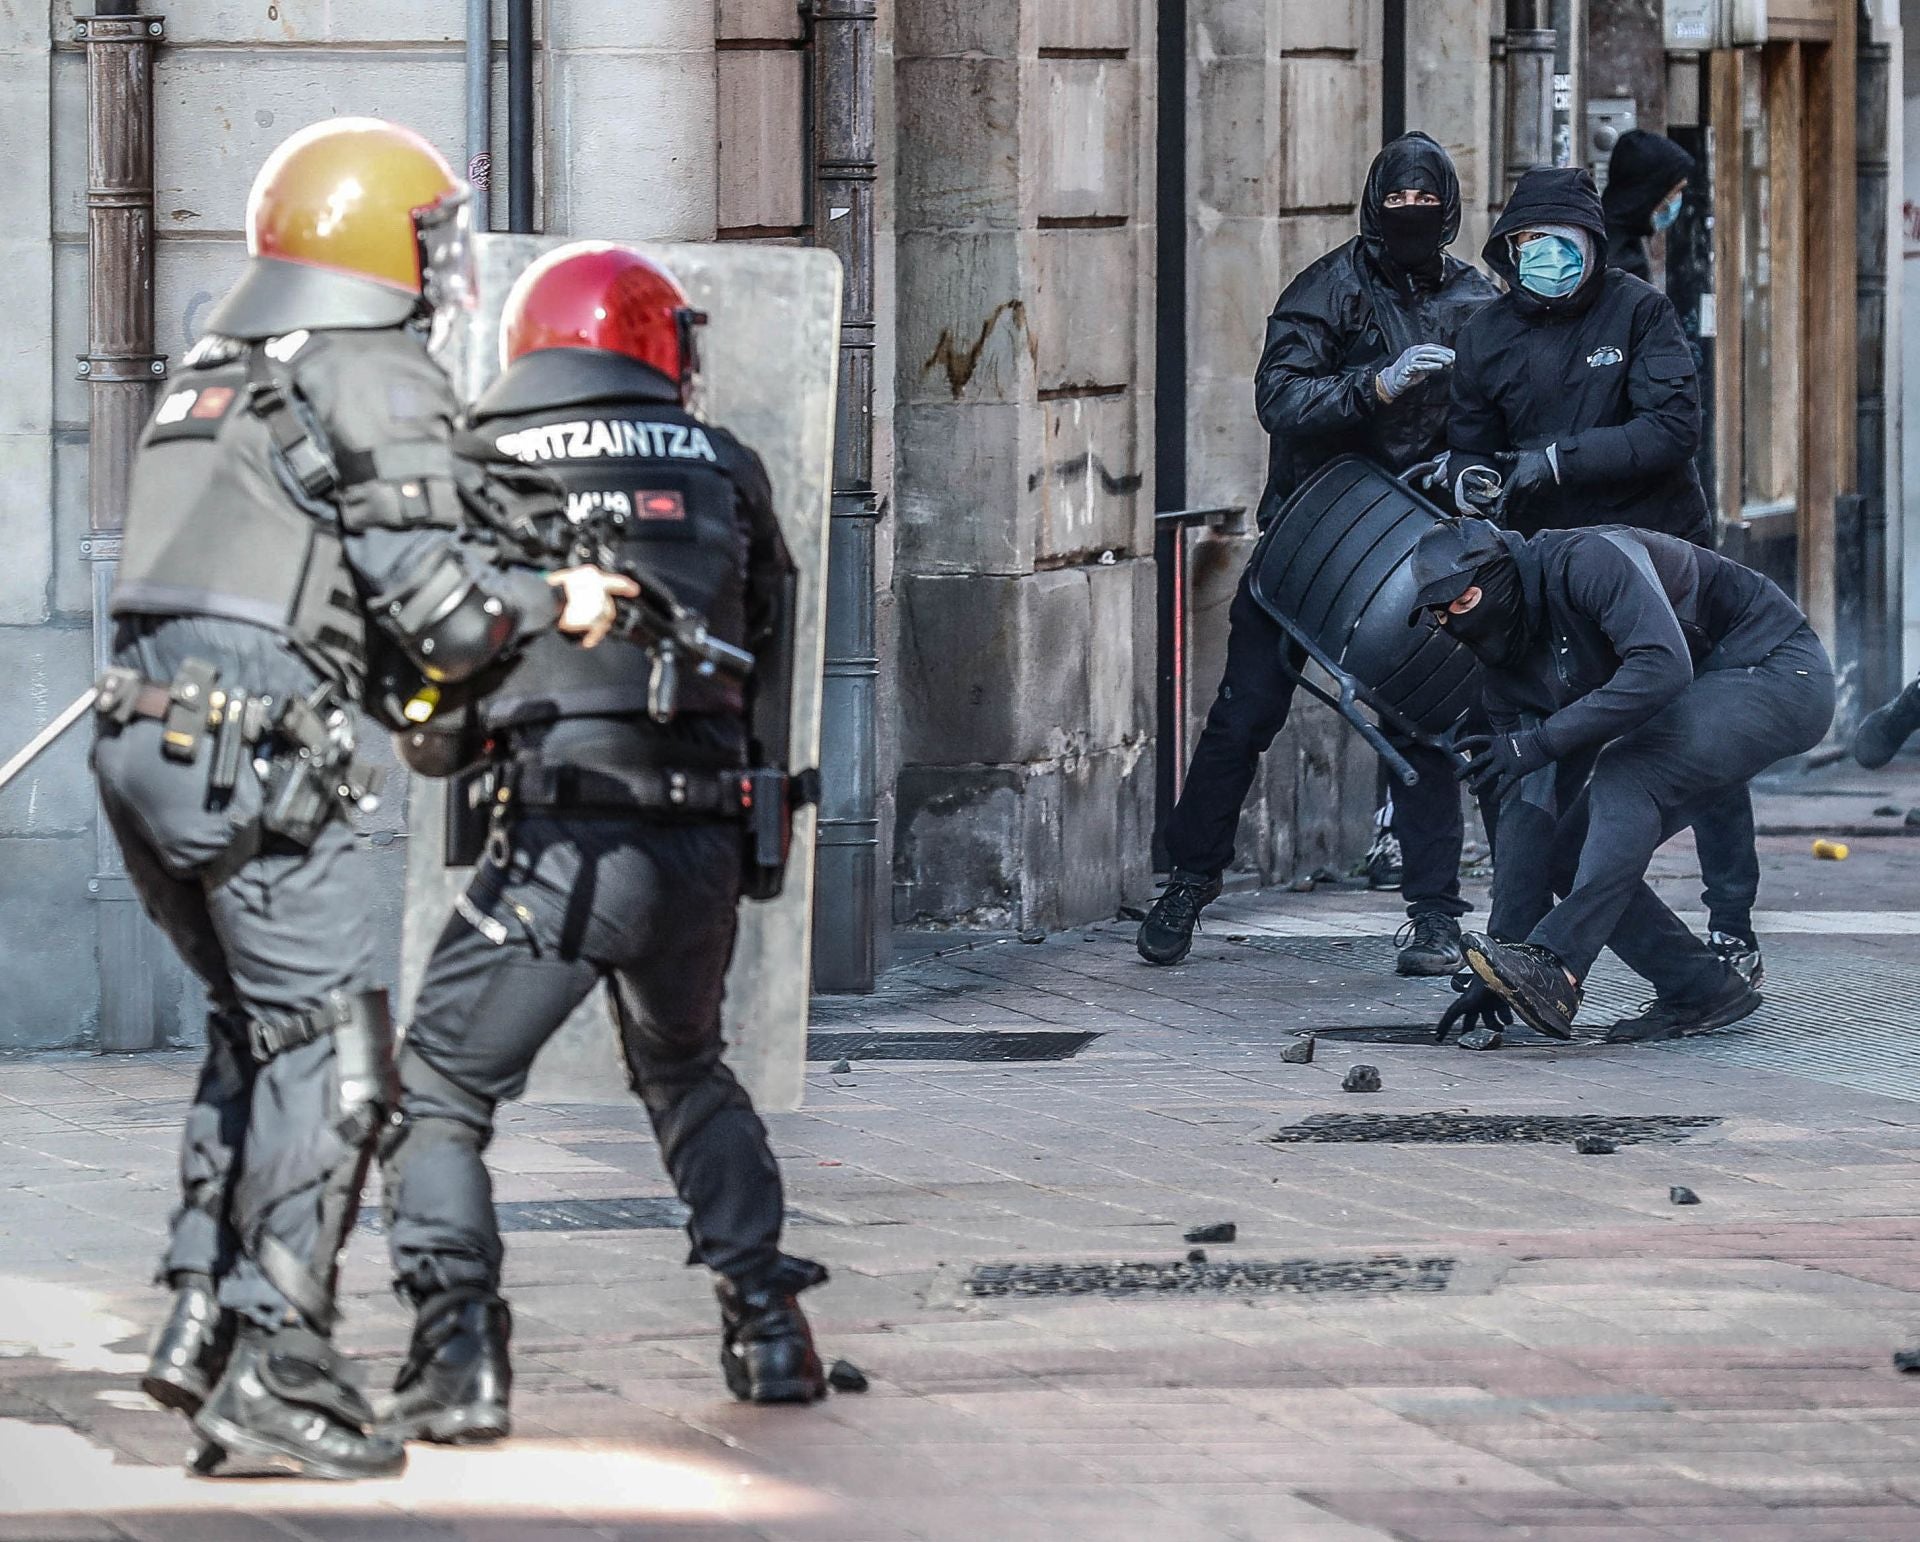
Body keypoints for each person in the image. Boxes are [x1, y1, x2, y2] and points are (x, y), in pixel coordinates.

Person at [100, 120, 635, 1480]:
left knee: (254, 1034)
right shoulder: (371, 367)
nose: (445, 271)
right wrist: (562, 594)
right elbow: (445, 624)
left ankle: (201, 1316)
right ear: (380, 250)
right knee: (339, 1066)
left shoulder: (216, 375)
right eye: (432, 240)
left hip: (154, 754)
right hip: (261, 763)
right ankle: (281, 1369)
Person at [377, 243, 830, 1444]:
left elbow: (445, 649)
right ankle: (769, 1329)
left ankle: (459, 1350)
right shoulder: (725, 467)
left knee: (439, 1087)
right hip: (702, 844)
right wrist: (758, 832)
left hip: (562, 842)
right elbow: (774, 645)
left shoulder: (483, 461)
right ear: (655, 346)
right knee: (685, 1068)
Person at [1137, 132, 1498, 975]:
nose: (1414, 216)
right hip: (1312, 537)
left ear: (1449, 210)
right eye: (1399, 203)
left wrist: (1470, 469)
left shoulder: (1479, 301)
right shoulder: (1327, 289)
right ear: (1375, 205)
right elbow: (1279, 397)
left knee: (1425, 722)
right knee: (1244, 713)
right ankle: (1188, 881)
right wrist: (1371, 385)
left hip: (1415, 551)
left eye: (1427, 205)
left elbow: (1497, 417)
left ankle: (1435, 912)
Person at [1443, 164, 1766, 990]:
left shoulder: (1641, 311)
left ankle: (1731, 922)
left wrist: (1558, 460)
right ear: (1509, 251)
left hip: (1665, 560)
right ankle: (1510, 943)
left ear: (1592, 245)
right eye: (1530, 245)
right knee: (1538, 761)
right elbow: (1474, 440)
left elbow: (1670, 429)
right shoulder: (1484, 336)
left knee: (1701, 742)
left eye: (1564, 244)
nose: (1548, 258)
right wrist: (1472, 481)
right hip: (1549, 581)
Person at [1409, 519, 1833, 1048]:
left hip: (1776, 670)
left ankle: (1560, 969)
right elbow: (1528, 815)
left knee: (1629, 773)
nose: (1456, 625)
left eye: (1465, 602)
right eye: (1441, 617)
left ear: (1499, 578)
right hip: (1696, 701)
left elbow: (1663, 666)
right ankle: (1699, 987)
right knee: (1571, 849)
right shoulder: (1508, 679)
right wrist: (1500, 962)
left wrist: (1540, 743)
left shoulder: (1587, 560)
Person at [1601, 128, 1696, 284]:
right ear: (1651, 191)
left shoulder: (1605, 238)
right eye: (1675, 191)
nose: (1676, 200)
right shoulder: (1617, 265)